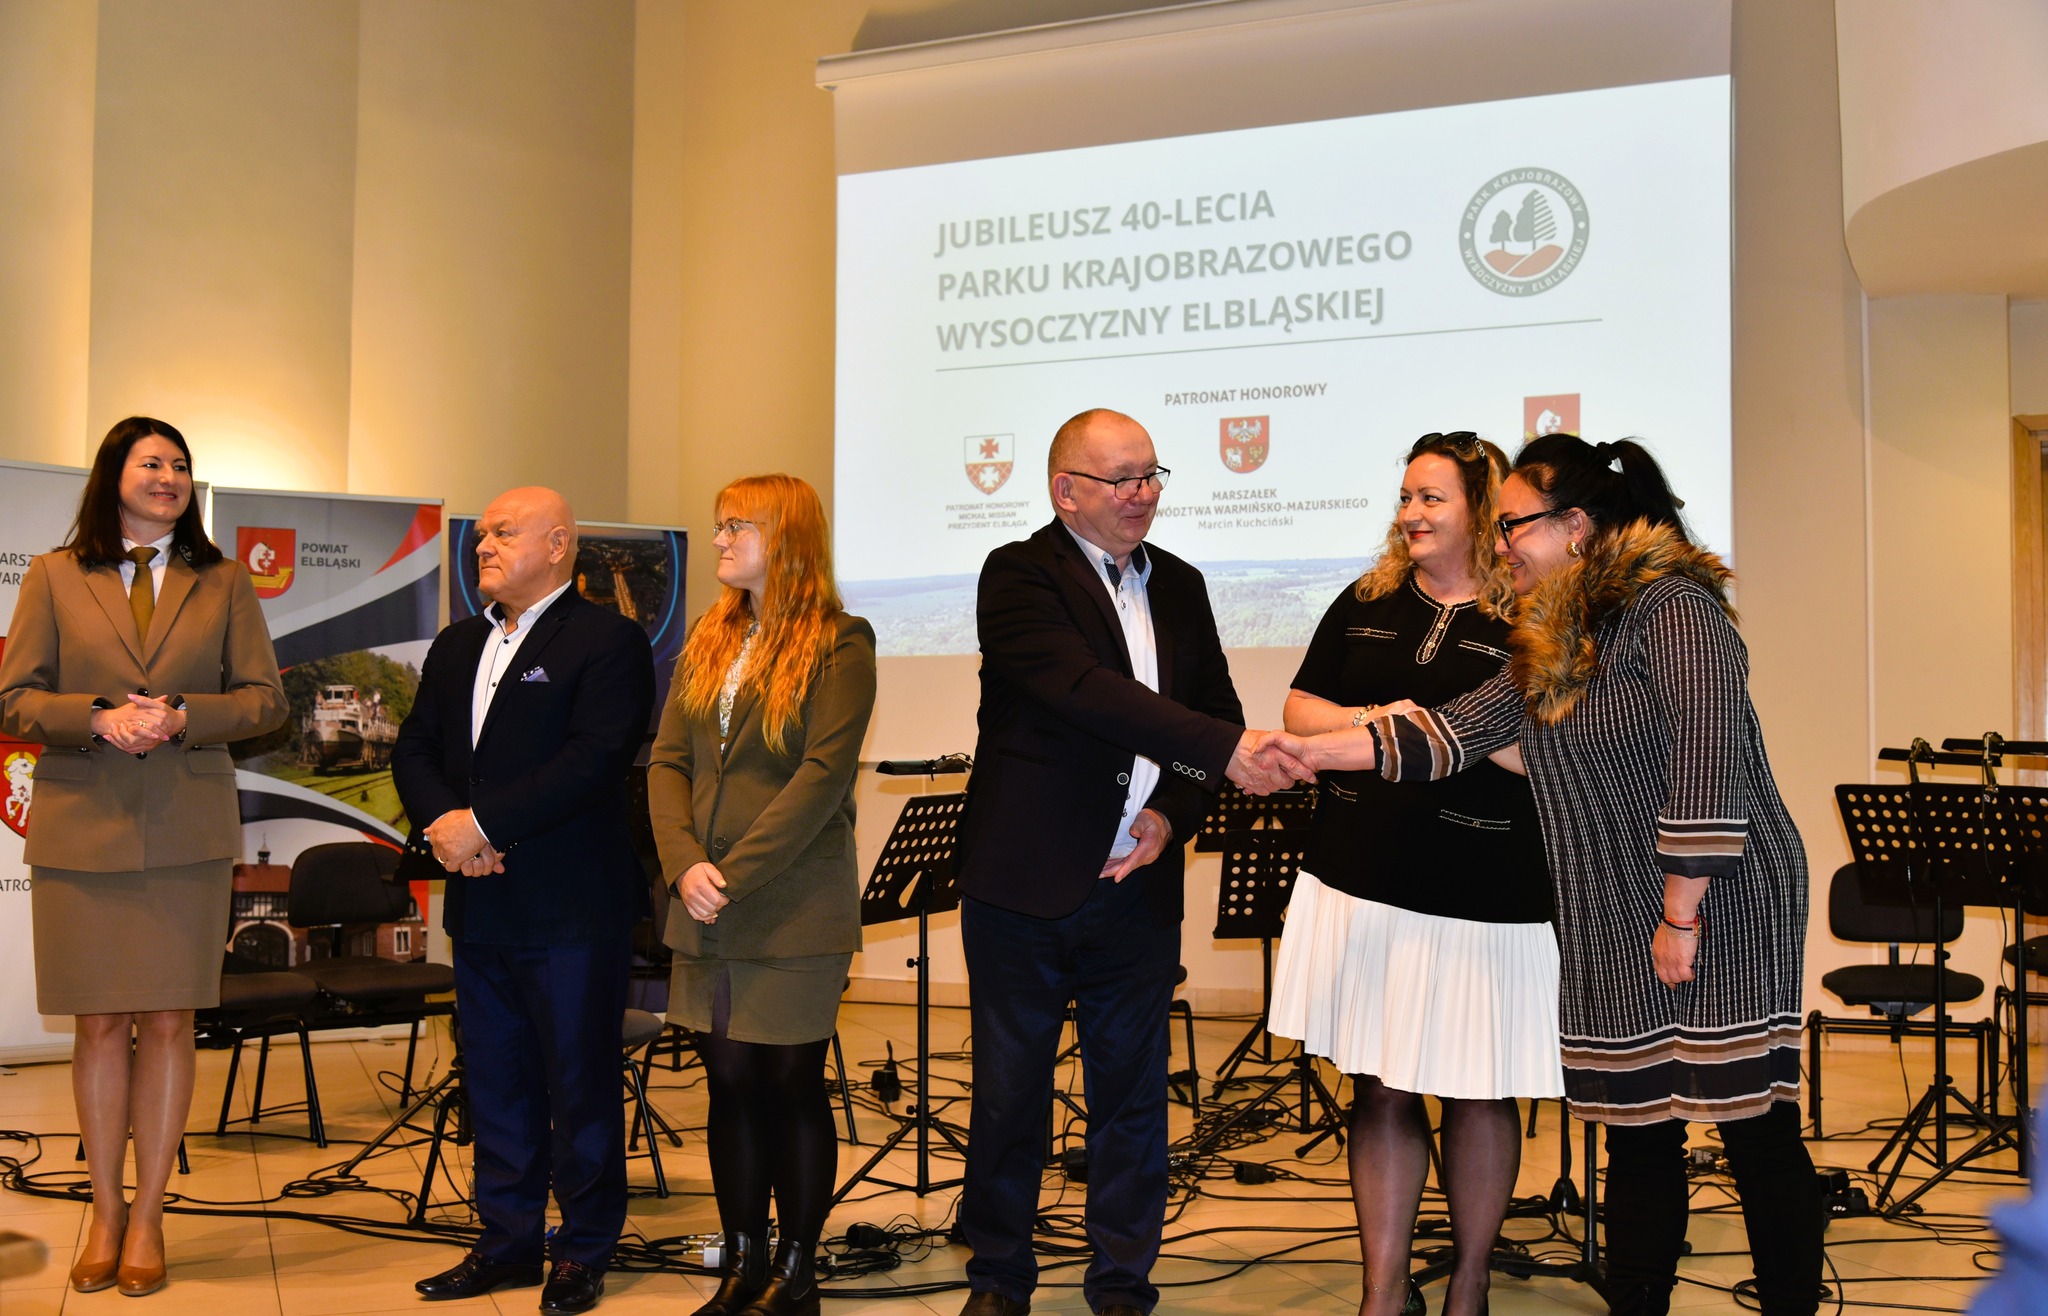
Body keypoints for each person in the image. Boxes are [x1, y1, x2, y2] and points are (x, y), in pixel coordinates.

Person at [1282, 433, 1822, 1316]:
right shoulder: (1552, 632)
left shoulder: (1674, 607)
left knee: (1750, 1125)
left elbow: (1709, 761)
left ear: (1575, 526)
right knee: (1638, 1128)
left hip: (1715, 894)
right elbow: (1450, 732)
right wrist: (1292, 751)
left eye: (1513, 526)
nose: (1500, 546)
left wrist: (1680, 913)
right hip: (1612, 897)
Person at [953, 407, 1310, 1316]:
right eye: (1120, 480)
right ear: (1065, 491)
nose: (1142, 494)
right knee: (1009, 1096)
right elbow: (1086, 693)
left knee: (1133, 1098)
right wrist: (1227, 751)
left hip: (1138, 886)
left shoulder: (1180, 584)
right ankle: (999, 1277)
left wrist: (1172, 814)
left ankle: (1121, 1283)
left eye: (1151, 475)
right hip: (1024, 886)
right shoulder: (1018, 575)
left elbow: (1214, 708)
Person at [1268, 432, 1558, 1316]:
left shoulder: (1533, 615)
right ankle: (1383, 1292)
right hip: (1362, 877)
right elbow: (1299, 709)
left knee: (1478, 1087)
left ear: (1482, 510)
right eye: (1404, 497)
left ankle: (1469, 1285)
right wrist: (1376, 717)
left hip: (1485, 892)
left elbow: (1545, 752)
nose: (1410, 514)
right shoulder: (1368, 599)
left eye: (1432, 498)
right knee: (1381, 1085)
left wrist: (1438, 734)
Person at [0, 417, 288, 1298]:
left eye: (180, 464)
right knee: (98, 1023)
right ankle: (105, 1211)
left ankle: (151, 1215)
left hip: (185, 828)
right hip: (81, 825)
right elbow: (14, 698)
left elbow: (265, 700)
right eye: (151, 462)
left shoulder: (224, 579)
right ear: (113, 475)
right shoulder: (53, 574)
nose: (168, 476)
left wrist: (183, 716)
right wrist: (97, 716)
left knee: (168, 1020)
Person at [394, 487, 654, 1315]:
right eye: (481, 537)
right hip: (480, 903)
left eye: (504, 533)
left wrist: (481, 825)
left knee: (578, 1086)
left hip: (572, 907)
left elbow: (593, 759)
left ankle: (582, 1251)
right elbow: (414, 748)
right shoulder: (457, 642)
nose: (484, 547)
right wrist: (448, 829)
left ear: (558, 544)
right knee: (496, 1084)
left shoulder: (608, 640)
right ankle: (505, 1244)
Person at [646, 474, 876, 1316]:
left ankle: (797, 1272)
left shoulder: (842, 642)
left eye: (736, 526)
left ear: (787, 538)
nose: (718, 540)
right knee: (729, 1082)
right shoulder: (710, 637)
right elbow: (667, 761)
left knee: (790, 1083)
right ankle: (742, 1265)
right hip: (702, 902)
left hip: (793, 904)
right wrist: (683, 865)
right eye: (719, 526)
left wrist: (730, 875)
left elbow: (822, 779)